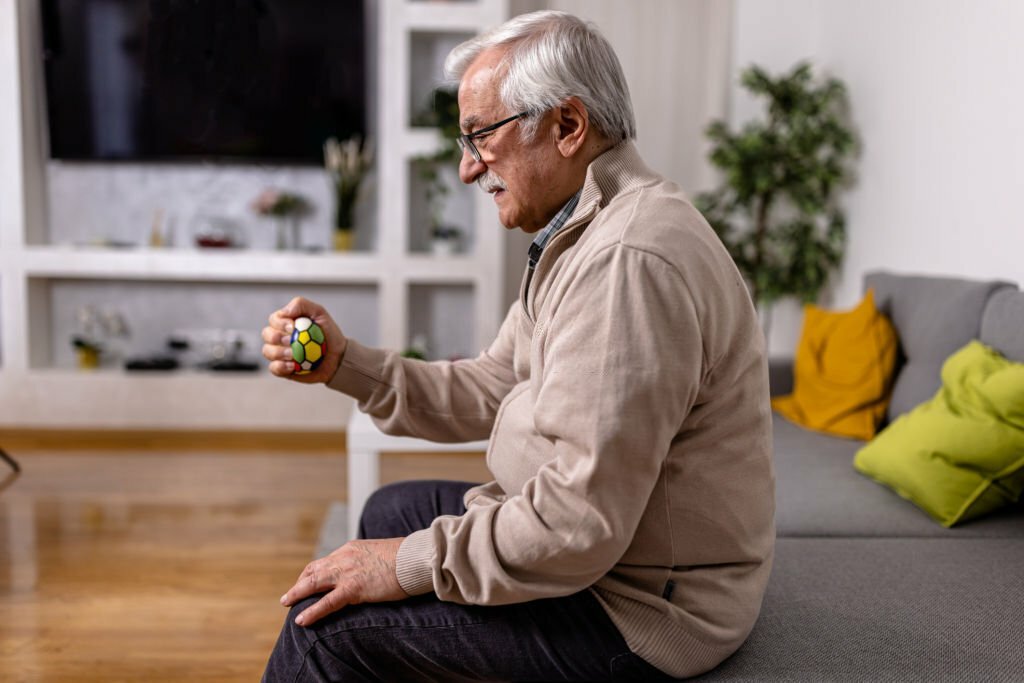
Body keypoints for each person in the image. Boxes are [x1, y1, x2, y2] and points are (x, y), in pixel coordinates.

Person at [260, 10, 774, 682]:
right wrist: (346, 363)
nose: (469, 168)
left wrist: (401, 563)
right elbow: (493, 382)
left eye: (481, 136)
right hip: (610, 562)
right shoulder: (583, 230)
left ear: (567, 126)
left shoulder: (628, 260)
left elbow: (576, 523)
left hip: (637, 609)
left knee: (326, 637)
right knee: (391, 509)